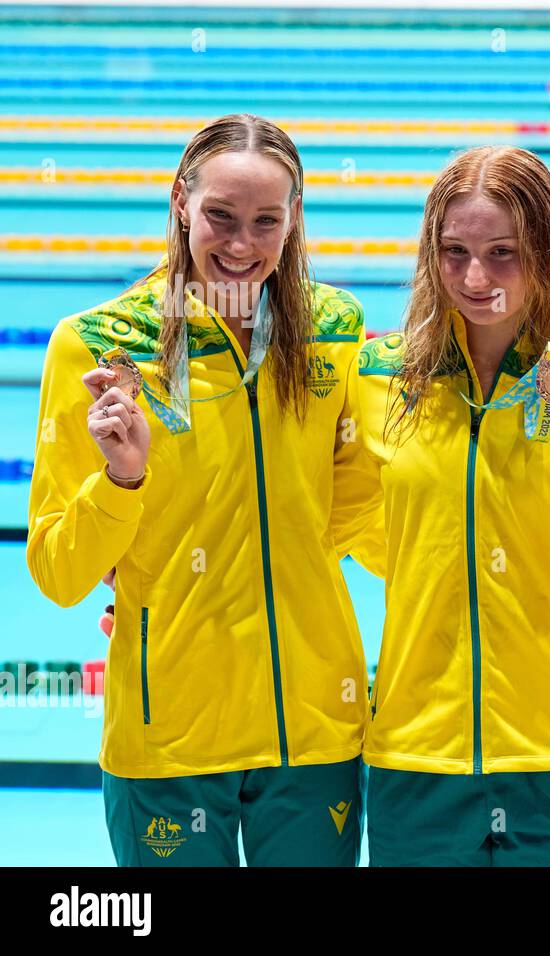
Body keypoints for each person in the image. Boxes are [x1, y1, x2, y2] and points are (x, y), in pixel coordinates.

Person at [28, 114, 371, 866]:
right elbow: (57, 572)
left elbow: (362, 515)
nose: (242, 245)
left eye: (266, 221)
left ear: (294, 220)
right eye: (220, 215)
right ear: (181, 200)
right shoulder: (99, 345)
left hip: (314, 730)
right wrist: (123, 482)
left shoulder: (336, 329)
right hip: (169, 735)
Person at [337, 145, 550, 866]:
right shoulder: (375, 379)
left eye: (503, 252)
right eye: (455, 252)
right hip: (417, 751)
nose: (475, 278)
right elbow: (335, 511)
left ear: (547, 250)